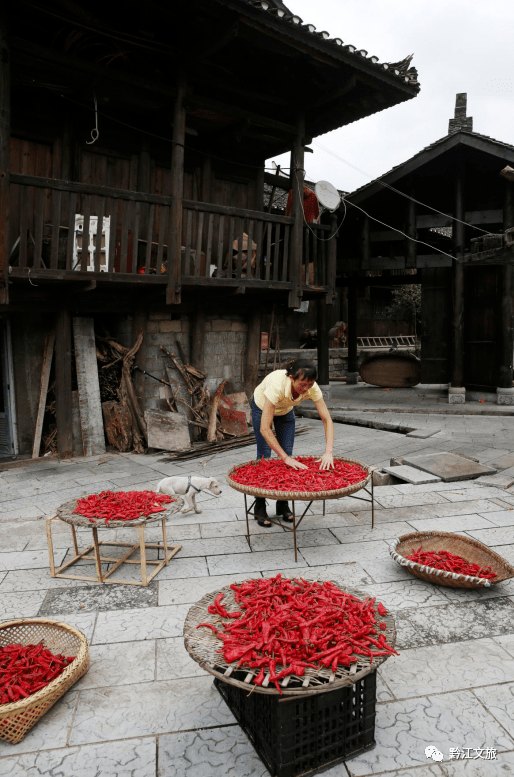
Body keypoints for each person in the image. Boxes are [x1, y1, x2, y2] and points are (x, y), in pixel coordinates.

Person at [251, 358, 334, 527]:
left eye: (309, 384)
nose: (306, 389)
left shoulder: (312, 388)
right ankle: (259, 506)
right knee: (264, 457)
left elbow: (327, 419)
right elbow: (265, 429)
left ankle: (282, 504)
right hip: (262, 406)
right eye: (302, 384)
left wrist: (328, 452)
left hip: (286, 411)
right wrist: (284, 458)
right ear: (291, 378)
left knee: (288, 455)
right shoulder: (277, 385)